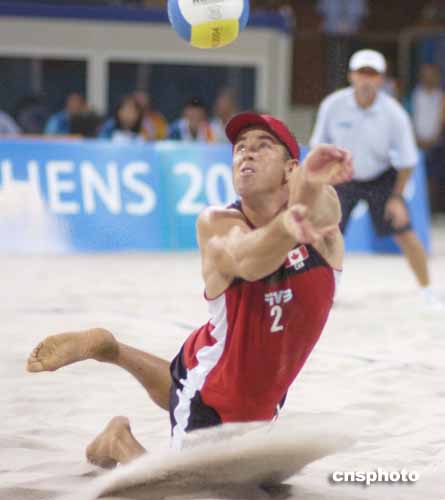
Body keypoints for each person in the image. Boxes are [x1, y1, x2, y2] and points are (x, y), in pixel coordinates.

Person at [26, 112, 353, 466]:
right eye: (240, 148)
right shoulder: (216, 223)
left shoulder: (321, 231)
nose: (247, 152)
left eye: (262, 146)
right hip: (212, 388)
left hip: (251, 384)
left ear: (291, 169)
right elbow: (249, 261)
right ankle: (117, 440)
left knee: (198, 404)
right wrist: (289, 225)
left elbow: (327, 210)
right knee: (177, 486)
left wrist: (311, 183)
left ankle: (111, 349)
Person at [310, 49, 443, 309]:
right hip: (341, 176)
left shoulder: (394, 113)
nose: (366, 80)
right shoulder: (332, 105)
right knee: (322, 234)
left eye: (372, 74)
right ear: (351, 76)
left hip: (381, 177)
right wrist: (323, 183)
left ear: (382, 79)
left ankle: (427, 290)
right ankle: (318, 291)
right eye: (362, 73)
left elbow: (408, 160)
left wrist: (397, 198)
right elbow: (318, 147)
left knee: (405, 232)